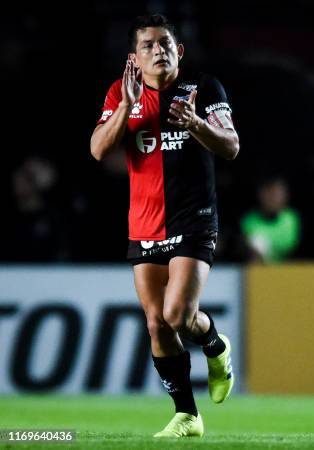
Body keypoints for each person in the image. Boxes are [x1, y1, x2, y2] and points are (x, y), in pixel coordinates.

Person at [90, 14, 239, 438]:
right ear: (134, 58)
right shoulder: (122, 92)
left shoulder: (203, 88)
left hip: (194, 219)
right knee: (156, 323)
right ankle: (188, 415)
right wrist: (124, 105)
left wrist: (195, 124)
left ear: (180, 51)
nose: (158, 50)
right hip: (144, 224)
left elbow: (231, 147)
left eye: (165, 43)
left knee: (176, 313)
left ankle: (215, 346)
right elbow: (99, 149)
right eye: (148, 45)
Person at [240, 177, 300, 262]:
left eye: (276, 193)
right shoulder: (249, 220)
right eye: (268, 193)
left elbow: (289, 246)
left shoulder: (291, 219)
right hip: (257, 271)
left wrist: (263, 247)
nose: (272, 198)